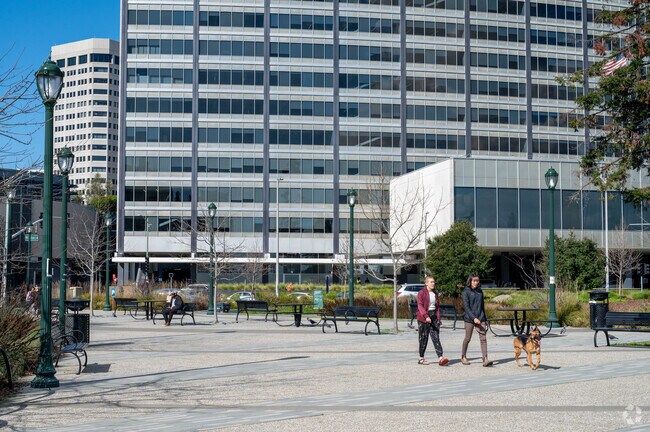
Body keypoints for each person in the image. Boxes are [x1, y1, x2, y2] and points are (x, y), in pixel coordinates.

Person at [461, 275, 493, 367]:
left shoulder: (480, 291)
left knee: (483, 338)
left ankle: (485, 358)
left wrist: (485, 319)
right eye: (474, 281)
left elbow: (482, 306)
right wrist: (473, 318)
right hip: (469, 318)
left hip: (481, 317)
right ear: (470, 281)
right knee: (467, 338)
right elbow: (466, 307)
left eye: (477, 281)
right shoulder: (466, 292)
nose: (476, 282)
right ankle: (463, 356)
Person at [416, 276, 449, 366]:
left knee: (436, 337)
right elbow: (420, 306)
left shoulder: (435, 293)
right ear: (426, 283)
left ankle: (441, 358)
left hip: (433, 316)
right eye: (431, 282)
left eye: (434, 282)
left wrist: (438, 318)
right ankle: (421, 358)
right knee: (423, 338)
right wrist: (426, 316)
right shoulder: (421, 293)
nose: (433, 283)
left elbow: (437, 307)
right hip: (423, 317)